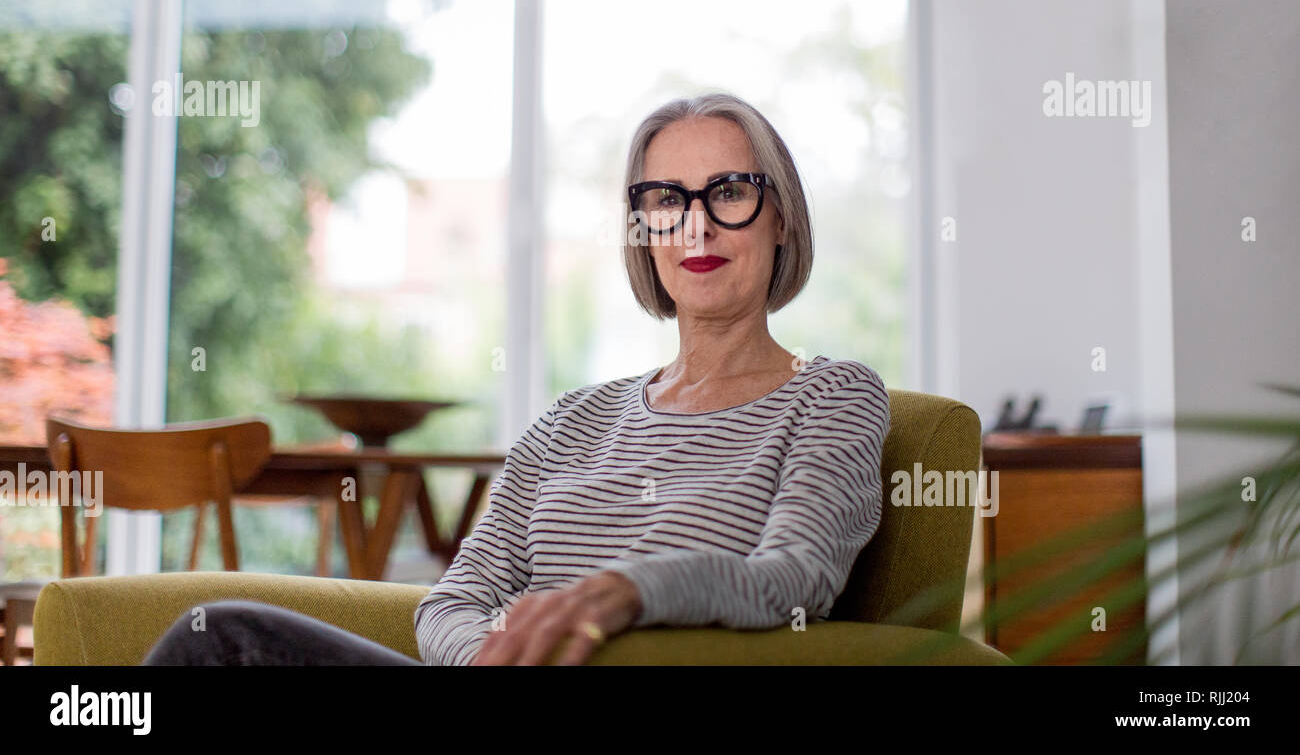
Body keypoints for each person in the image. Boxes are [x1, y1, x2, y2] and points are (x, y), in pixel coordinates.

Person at [143, 92, 889, 666]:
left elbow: (797, 581)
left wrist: (630, 591)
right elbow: (455, 600)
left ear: (781, 217)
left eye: (728, 192)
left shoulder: (832, 396)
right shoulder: (574, 418)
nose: (696, 226)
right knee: (218, 639)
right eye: (665, 200)